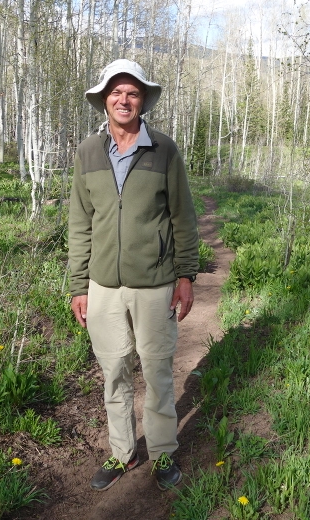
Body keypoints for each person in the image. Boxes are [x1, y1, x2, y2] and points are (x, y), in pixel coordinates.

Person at [68, 59, 199, 492]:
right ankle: (122, 452)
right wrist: (78, 286)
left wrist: (185, 277)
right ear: (104, 100)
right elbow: (80, 224)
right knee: (114, 372)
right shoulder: (87, 152)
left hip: (156, 285)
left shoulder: (164, 150)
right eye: (116, 92)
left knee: (158, 371)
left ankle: (162, 454)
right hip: (102, 288)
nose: (124, 100)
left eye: (133, 93)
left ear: (142, 101)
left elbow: (182, 217)